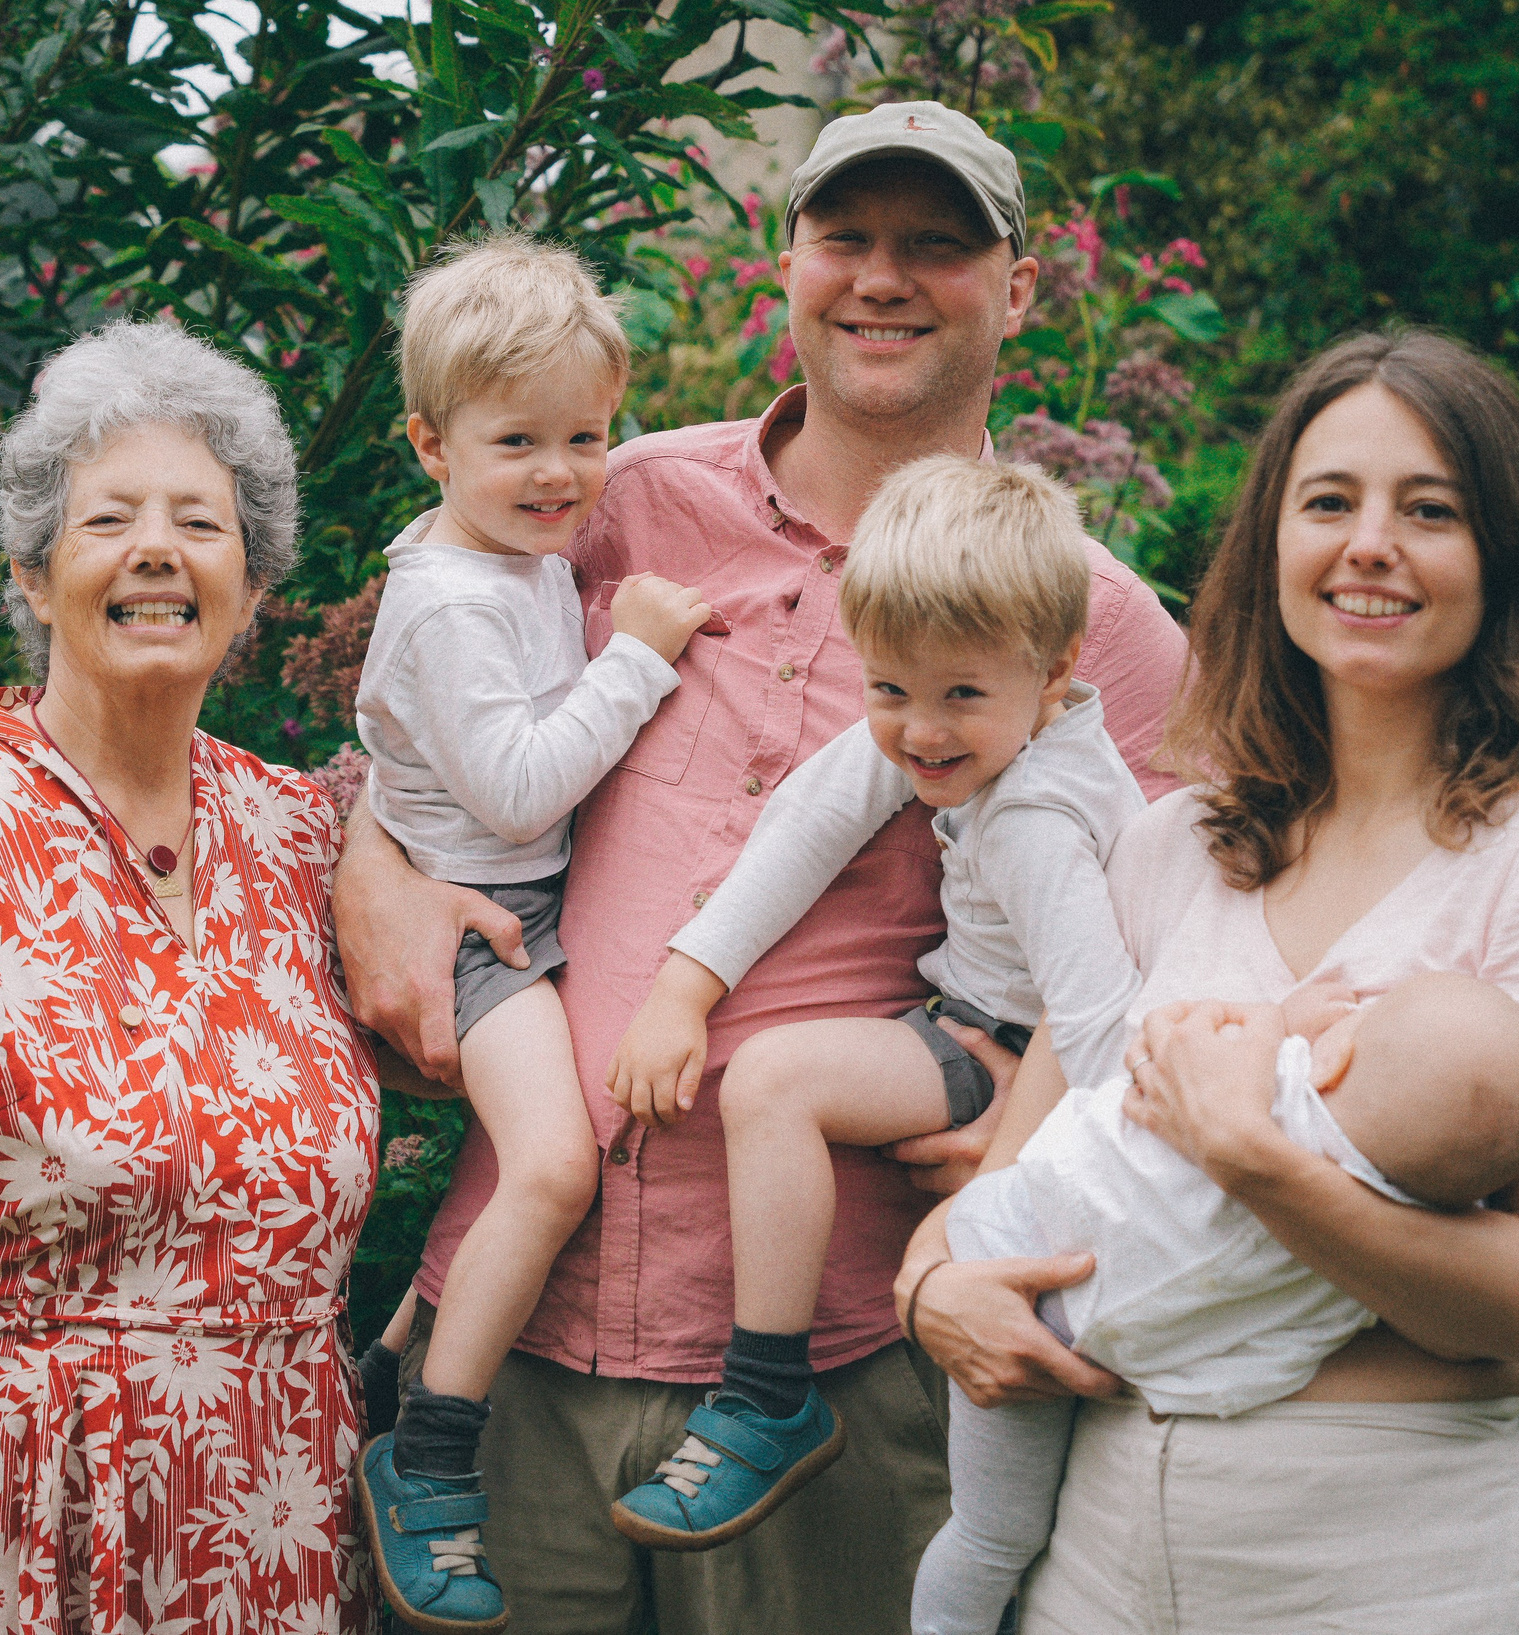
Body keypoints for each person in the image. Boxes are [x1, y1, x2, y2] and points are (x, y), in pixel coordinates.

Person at [337, 99, 1192, 1633]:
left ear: (1019, 288)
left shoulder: (1100, 626)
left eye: (937, 246)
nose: (883, 277)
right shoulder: (612, 498)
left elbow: (1195, 953)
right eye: (847, 238)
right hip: (517, 1320)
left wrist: (1020, 1125)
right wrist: (373, 878)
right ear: (785, 262)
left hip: (841, 1364)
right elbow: (422, 725)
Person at [899, 327, 1519, 1634]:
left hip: (1379, 1565)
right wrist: (932, 1295)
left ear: (1502, 555)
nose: (1369, 542)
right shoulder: (1173, 845)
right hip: (1088, 1557)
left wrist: (1256, 1155)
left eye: (1428, 509)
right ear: (1274, 542)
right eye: (1330, 502)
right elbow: (1005, 1188)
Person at [0, 321, 381, 1635]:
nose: (158, 548)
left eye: (199, 523)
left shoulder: (309, 840)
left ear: (253, 585)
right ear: (35, 577)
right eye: (111, 517)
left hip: (269, 1541)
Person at [600, 456, 1148, 1551]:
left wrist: (991, 1194)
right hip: (975, 1031)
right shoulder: (973, 721)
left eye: (957, 697)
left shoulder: (1037, 818)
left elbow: (1098, 1023)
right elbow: (809, 818)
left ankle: (766, 1396)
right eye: (888, 689)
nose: (918, 732)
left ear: (1052, 674)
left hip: (1007, 1062)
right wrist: (682, 985)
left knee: (770, 1082)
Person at [349, 237, 713, 1633]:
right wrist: (643, 655)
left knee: (517, 1158)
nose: (562, 472)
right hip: (480, 926)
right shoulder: (450, 602)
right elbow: (513, 787)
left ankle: (387, 1360)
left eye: (588, 434)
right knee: (557, 1165)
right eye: (518, 441)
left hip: (517, 908)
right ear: (432, 445)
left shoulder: (508, 551)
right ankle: (431, 1454)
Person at [911, 973, 1519, 1635]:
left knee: (987, 1538)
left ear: (1333, 1059)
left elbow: (1192, 1029)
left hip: (1013, 1242)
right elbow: (1495, 1325)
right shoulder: (1381, 1227)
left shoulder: (1270, 1076)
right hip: (1066, 1321)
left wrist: (1284, 1018)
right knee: (1004, 1538)